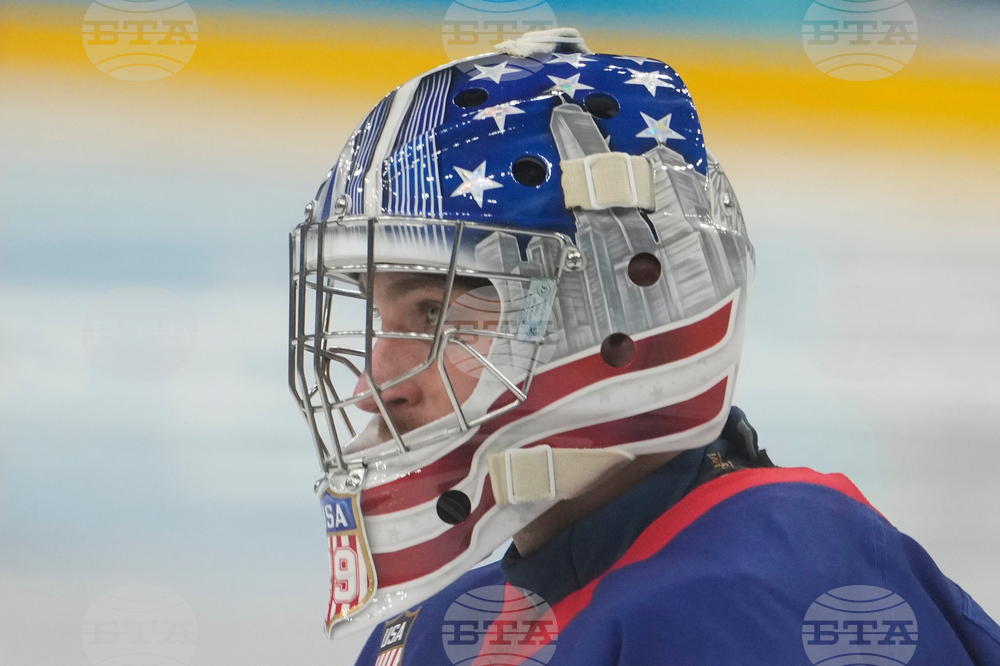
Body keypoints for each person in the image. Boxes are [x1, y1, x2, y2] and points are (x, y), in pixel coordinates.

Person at [287, 28, 1000, 665]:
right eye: (383, 320)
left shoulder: (746, 606)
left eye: (438, 313)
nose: (375, 383)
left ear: (625, 317)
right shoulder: (448, 625)